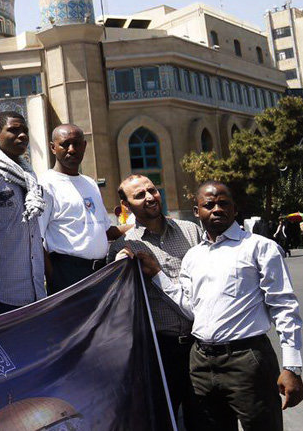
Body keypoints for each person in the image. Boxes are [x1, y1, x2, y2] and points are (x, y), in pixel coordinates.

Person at [131, 181, 303, 430]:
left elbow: (284, 306)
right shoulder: (193, 257)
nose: (217, 209)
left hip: (247, 361)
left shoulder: (260, 247)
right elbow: (190, 308)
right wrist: (157, 274)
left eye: (223, 203)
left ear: (235, 209)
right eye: (209, 204)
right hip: (201, 364)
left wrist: (292, 367)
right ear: (197, 211)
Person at [108, 174, 203, 428]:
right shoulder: (124, 246)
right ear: (126, 205)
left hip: (201, 347)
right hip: (159, 351)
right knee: (162, 420)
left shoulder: (191, 231)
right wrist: (118, 270)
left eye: (152, 190)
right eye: (140, 195)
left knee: (203, 420)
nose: (150, 197)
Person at [0, 110, 46, 316]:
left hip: (35, 290)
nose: (22, 136)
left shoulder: (28, 175)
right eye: (13, 130)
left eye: (25, 131)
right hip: (2, 294)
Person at [39, 124, 121, 294]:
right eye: (65, 144)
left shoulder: (90, 183)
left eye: (76, 144)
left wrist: (141, 225)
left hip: (100, 272)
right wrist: (53, 275)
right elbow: (35, 239)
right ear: (53, 148)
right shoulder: (45, 185)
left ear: (84, 146)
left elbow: (106, 230)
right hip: (67, 276)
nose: (71, 149)